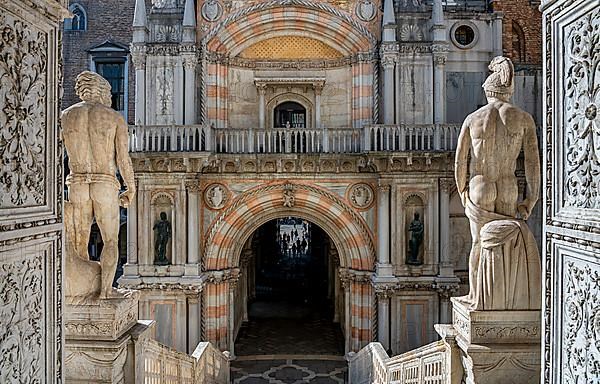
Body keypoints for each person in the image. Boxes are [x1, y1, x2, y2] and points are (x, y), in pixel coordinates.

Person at [454, 56, 540, 309]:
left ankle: (476, 297)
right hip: (509, 187)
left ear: (488, 91)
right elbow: (532, 162)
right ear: (509, 92)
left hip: (481, 185)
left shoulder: (474, 118)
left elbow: (461, 161)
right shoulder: (523, 118)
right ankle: (505, 301)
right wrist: (531, 198)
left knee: (479, 244)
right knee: (506, 245)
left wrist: (462, 190)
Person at [62, 71, 136, 300]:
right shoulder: (113, 117)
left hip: (76, 182)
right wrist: (130, 187)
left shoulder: (65, 116)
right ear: (103, 91)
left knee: (79, 242)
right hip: (105, 183)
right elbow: (123, 159)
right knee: (111, 240)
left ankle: (81, 291)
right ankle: (105, 291)